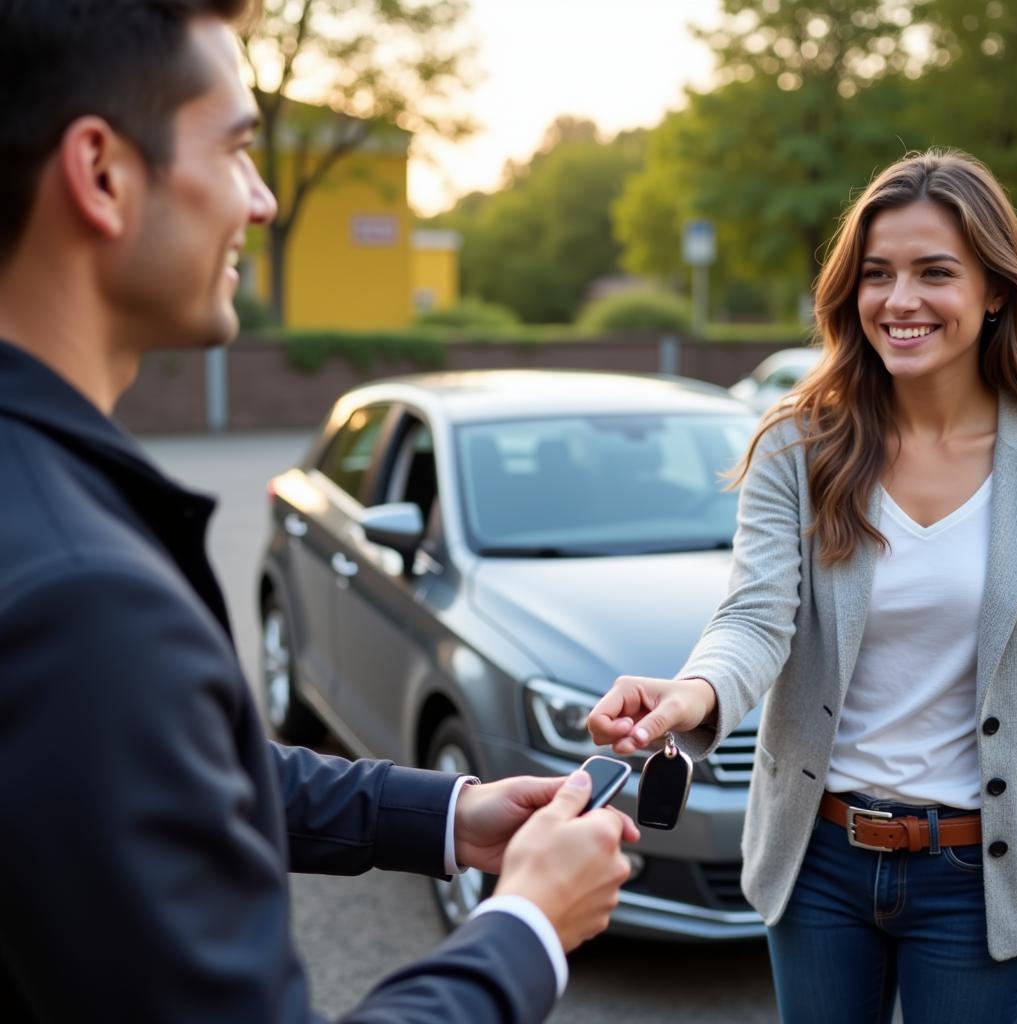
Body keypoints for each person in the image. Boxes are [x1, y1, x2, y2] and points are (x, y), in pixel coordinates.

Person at [0, 2, 639, 1021]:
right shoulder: (86, 598)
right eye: (238, 147)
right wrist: (526, 924)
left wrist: (449, 814)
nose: (258, 202)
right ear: (102, 174)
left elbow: (158, 768)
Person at [588, 149, 1017, 1024]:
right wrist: (694, 692)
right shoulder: (801, 442)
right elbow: (755, 618)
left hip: (984, 873)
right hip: (820, 860)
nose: (899, 301)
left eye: (935, 272)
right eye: (877, 275)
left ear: (995, 290)